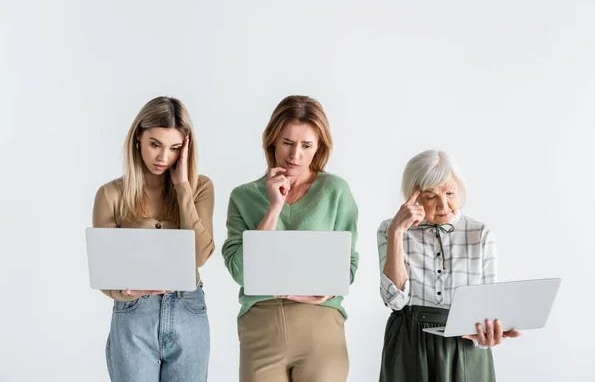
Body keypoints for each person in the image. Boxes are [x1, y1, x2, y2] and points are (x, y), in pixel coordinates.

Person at [222, 95, 359, 382]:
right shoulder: (243, 196)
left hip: (320, 325)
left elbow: (348, 265)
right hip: (261, 326)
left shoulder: (335, 191)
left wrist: (330, 290)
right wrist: (275, 206)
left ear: (318, 147)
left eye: (306, 145)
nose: (295, 155)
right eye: (287, 143)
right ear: (272, 141)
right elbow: (241, 272)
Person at [92, 96, 215, 382]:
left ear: (185, 148)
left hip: (188, 309)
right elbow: (104, 275)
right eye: (155, 144)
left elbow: (199, 257)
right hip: (134, 313)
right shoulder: (110, 195)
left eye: (174, 148)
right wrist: (128, 293)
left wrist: (183, 187)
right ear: (139, 138)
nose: (163, 158)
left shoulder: (201, 188)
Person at [377, 149, 519, 382]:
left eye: (450, 193)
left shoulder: (480, 234)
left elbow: (488, 306)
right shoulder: (390, 229)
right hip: (410, 340)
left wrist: (490, 333)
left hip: (464, 342)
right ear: (412, 197)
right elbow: (395, 301)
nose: (443, 205)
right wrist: (396, 233)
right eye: (431, 196)